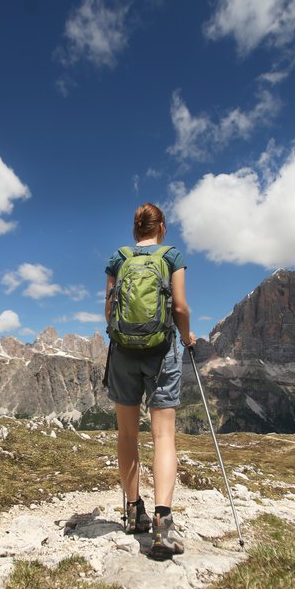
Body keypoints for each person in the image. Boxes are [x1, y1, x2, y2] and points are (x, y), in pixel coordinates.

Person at [104, 202, 196, 560]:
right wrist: (186, 338)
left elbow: (109, 310)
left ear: (135, 229)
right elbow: (180, 308)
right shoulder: (172, 255)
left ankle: (131, 512)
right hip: (162, 352)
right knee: (163, 436)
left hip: (123, 351)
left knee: (127, 434)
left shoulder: (118, 258)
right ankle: (162, 526)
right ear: (162, 227)